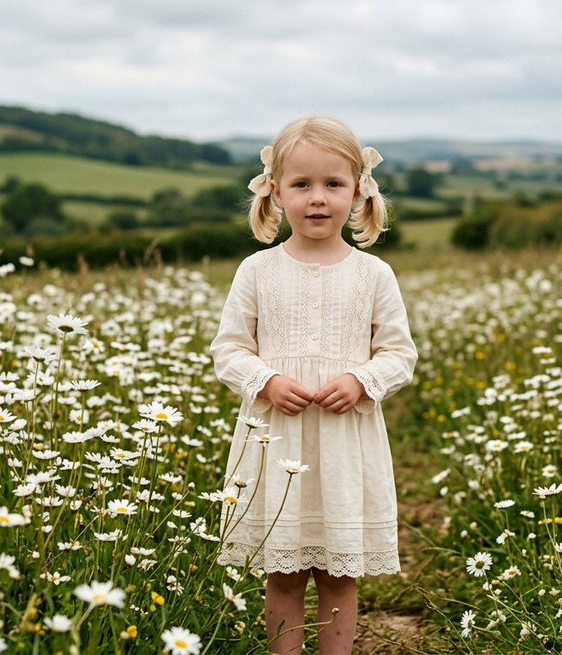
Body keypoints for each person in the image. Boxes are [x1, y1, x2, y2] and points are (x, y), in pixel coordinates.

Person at [209, 116, 417, 655]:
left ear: (358, 191)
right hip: (276, 442)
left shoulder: (374, 275)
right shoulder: (256, 270)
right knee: (282, 573)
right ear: (276, 192)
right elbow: (228, 350)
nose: (318, 199)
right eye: (301, 185)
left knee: (337, 574)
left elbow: (399, 354)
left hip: (346, 444)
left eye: (333, 184)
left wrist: (361, 380)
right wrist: (267, 381)